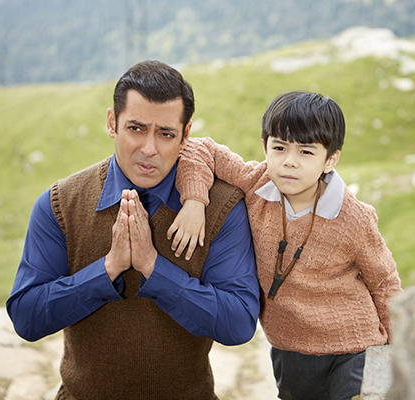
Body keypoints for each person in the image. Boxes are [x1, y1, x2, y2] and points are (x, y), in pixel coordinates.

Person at [6, 60, 260, 400]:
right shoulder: (60, 204)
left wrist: (153, 268)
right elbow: (27, 318)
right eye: (136, 129)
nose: (149, 148)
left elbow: (239, 323)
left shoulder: (222, 207)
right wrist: (108, 269)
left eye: (166, 134)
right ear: (112, 123)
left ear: (186, 135)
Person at [170, 91, 402, 400]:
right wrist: (195, 200)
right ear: (264, 146)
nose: (289, 162)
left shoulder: (354, 218)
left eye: (306, 152)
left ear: (330, 158)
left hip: (355, 347)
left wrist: (396, 352)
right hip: (289, 349)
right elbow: (199, 148)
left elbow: (385, 283)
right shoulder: (256, 182)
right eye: (279, 148)